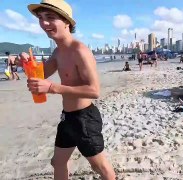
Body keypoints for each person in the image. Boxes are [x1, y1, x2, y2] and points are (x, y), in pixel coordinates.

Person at [20, 1, 116, 179]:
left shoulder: (79, 50)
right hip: (67, 117)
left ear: (67, 22)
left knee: (99, 166)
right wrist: (27, 64)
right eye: (41, 18)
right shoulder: (58, 52)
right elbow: (41, 75)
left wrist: (52, 88)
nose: (44, 23)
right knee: (58, 162)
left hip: (85, 118)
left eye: (50, 18)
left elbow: (94, 91)